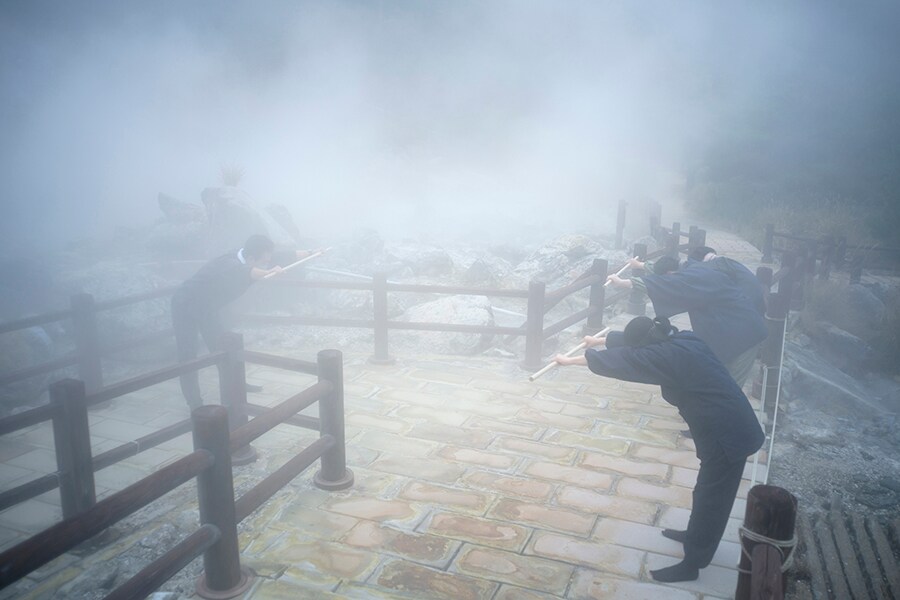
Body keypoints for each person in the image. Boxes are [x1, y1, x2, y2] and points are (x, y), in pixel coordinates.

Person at [554, 316, 765, 583]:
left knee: (713, 497)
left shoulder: (665, 357)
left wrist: (571, 360)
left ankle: (693, 563)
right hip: (727, 423)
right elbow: (634, 346)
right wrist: (599, 340)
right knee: (706, 490)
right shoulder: (682, 338)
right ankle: (695, 535)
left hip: (728, 434)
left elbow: (626, 359)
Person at [171, 234, 319, 408]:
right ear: (250, 258)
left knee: (222, 345)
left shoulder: (250, 257)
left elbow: (282, 256)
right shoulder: (228, 263)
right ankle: (194, 402)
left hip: (207, 307)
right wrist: (268, 272)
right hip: (185, 305)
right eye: (263, 262)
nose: (267, 262)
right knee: (188, 355)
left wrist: (311, 252)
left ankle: (236, 386)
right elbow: (245, 272)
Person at [607, 246, 766, 388]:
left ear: (671, 274)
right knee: (718, 375)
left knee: (731, 388)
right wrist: (640, 265)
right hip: (731, 330)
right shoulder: (692, 269)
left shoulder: (694, 277)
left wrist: (623, 283)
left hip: (745, 335)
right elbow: (664, 274)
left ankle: (724, 417)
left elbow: (665, 284)